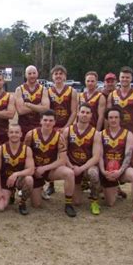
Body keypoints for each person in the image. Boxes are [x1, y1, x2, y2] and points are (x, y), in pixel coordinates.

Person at [24, 110, 77, 217]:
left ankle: (68, 204)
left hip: (49, 170)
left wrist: (44, 168)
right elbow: (24, 155)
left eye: (50, 120)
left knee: (69, 173)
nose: (47, 123)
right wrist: (33, 169)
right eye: (45, 120)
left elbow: (62, 160)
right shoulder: (31, 135)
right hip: (34, 170)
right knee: (36, 204)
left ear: (54, 122)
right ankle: (36, 189)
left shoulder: (59, 137)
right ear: (40, 121)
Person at [99, 107, 133, 222]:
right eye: (110, 117)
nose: (113, 120)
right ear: (107, 119)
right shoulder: (101, 135)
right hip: (107, 172)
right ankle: (115, 189)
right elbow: (99, 155)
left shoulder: (127, 134)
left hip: (122, 169)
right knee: (110, 203)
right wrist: (104, 171)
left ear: (120, 119)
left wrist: (120, 171)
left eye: (116, 117)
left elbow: (128, 156)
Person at [44, 65, 78, 199]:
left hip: (66, 128)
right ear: (52, 77)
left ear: (65, 76)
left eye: (61, 73)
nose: (58, 76)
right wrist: (51, 127)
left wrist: (66, 127)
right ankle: (51, 185)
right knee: (51, 154)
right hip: (51, 127)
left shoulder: (72, 91)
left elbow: (74, 111)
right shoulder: (48, 91)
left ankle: (70, 183)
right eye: (56, 74)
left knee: (66, 154)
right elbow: (47, 111)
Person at [63, 104, 102, 215]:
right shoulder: (68, 131)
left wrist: (81, 168)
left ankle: (94, 201)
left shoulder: (95, 134)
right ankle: (81, 184)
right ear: (78, 113)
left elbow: (96, 157)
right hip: (72, 166)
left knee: (93, 173)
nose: (84, 115)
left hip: (86, 167)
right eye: (83, 112)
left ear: (91, 116)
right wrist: (71, 166)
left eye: (87, 113)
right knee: (77, 202)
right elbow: (63, 153)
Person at [107, 66, 133, 171]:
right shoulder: (112, 95)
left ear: (131, 78)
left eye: (127, 77)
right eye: (123, 77)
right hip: (116, 134)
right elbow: (108, 116)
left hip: (132, 132)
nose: (124, 79)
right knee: (114, 162)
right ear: (119, 78)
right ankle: (115, 187)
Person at [0, 124, 34, 215]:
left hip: (19, 180)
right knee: (0, 207)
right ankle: (10, 193)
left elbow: (31, 170)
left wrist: (15, 174)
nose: (14, 134)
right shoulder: (0, 149)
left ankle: (22, 202)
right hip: (6, 181)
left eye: (16, 132)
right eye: (11, 132)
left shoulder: (27, 149)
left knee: (29, 179)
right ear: (8, 134)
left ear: (21, 134)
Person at [14, 65, 50, 138]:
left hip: (39, 126)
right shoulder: (19, 89)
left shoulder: (43, 89)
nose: (32, 75)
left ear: (37, 74)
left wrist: (29, 105)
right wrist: (39, 106)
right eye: (29, 73)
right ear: (25, 75)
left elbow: (46, 109)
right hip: (23, 127)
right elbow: (20, 111)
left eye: (34, 73)